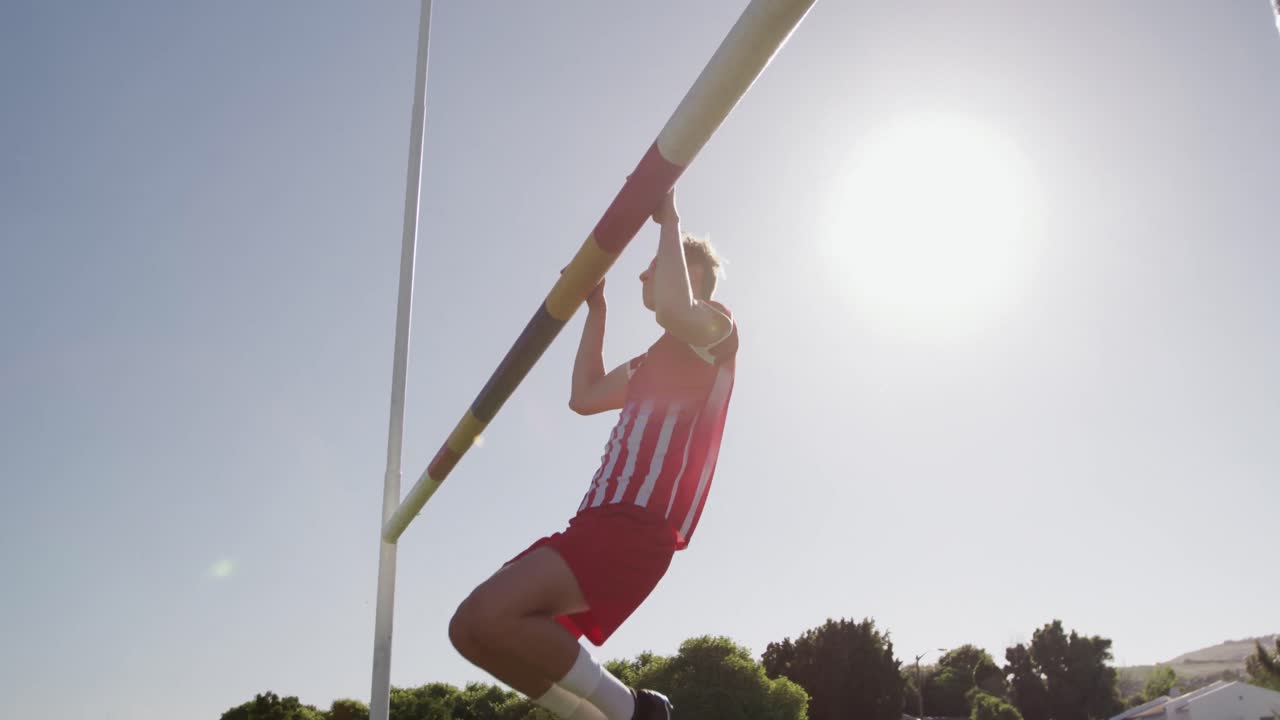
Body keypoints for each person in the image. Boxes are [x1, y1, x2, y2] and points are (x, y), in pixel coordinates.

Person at [448, 188, 739, 720]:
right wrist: (596, 307)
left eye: (653, 267)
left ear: (690, 273)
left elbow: (678, 307)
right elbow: (583, 398)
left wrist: (668, 215)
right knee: (470, 631)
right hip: (596, 523)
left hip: (638, 526)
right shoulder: (650, 362)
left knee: (492, 615)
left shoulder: (715, 331)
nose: (643, 277)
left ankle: (633, 712)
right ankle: (600, 717)